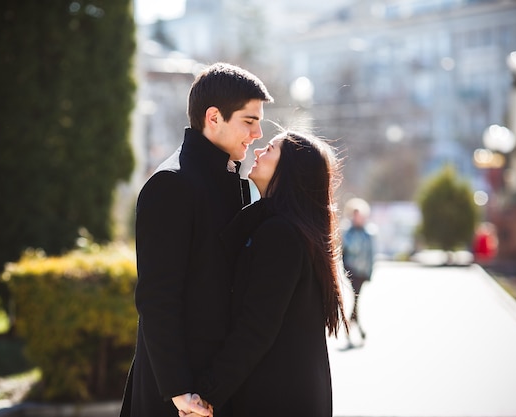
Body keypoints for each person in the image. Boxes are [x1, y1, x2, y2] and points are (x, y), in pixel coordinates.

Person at [119, 63, 273, 417]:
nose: (258, 133)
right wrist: (178, 389)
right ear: (214, 117)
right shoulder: (171, 185)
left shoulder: (233, 180)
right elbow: (157, 297)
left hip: (217, 385)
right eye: (249, 121)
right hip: (177, 397)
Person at [187, 131, 350, 417]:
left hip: (276, 396)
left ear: (290, 169)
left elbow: (256, 326)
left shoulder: (280, 234)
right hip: (293, 392)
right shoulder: (288, 229)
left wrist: (208, 392)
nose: (259, 150)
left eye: (271, 148)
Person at [341, 198, 374, 346]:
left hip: (363, 272)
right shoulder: (347, 233)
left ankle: (354, 328)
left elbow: (371, 255)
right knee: (355, 301)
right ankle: (356, 330)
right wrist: (344, 271)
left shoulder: (369, 233)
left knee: (356, 302)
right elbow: (342, 252)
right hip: (351, 272)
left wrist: (370, 273)